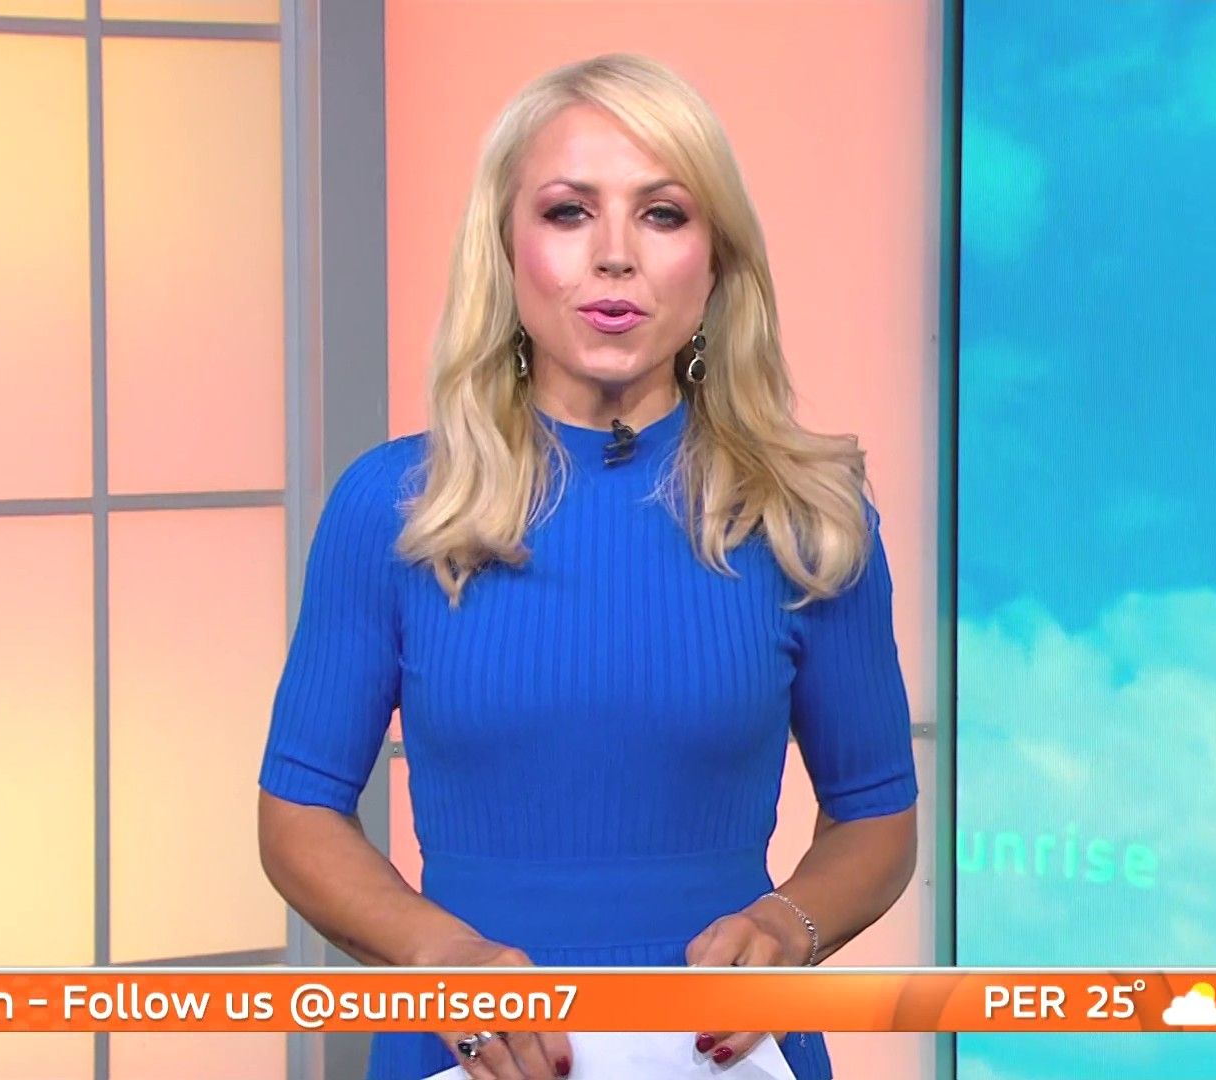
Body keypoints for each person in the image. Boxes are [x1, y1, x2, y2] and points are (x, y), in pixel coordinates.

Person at [257, 52, 919, 1080]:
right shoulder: (394, 505)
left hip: (731, 1056)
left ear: (716, 258)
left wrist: (788, 926)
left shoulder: (808, 514)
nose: (615, 257)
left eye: (662, 214)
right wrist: (439, 956)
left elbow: (875, 818)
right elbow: (298, 815)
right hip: (466, 1052)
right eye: (569, 213)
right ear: (506, 247)